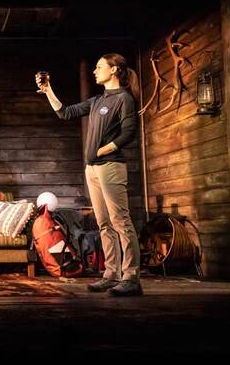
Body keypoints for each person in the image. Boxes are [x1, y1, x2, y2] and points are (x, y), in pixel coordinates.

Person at [36, 53, 143, 296]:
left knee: (121, 222)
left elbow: (128, 133)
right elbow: (65, 112)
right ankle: (111, 274)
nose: (95, 71)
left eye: (99, 67)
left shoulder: (123, 98)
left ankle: (131, 277)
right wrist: (48, 89)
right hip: (93, 169)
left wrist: (102, 150)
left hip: (111, 167)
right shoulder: (97, 100)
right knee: (104, 223)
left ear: (114, 69)